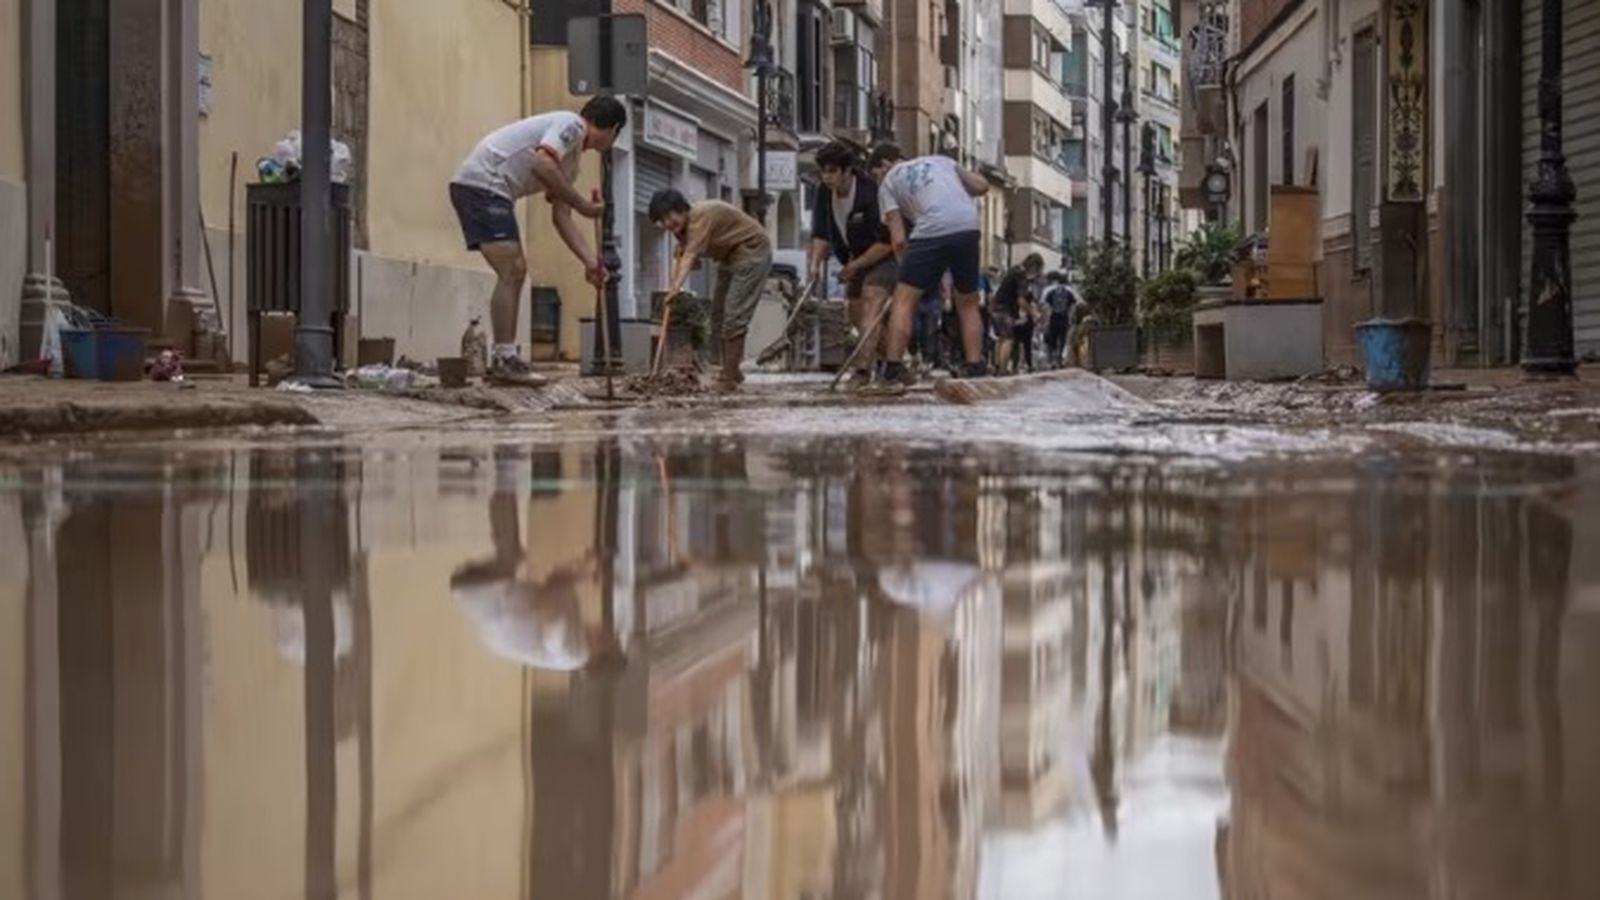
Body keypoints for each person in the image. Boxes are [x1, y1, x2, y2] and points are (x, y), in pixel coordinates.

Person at [450, 96, 627, 385]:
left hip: (489, 190)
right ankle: (505, 360)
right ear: (613, 128)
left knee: (514, 271)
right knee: (513, 270)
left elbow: (561, 217)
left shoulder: (571, 162)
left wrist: (590, 262)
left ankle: (504, 358)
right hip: (482, 184)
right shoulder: (572, 125)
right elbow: (541, 163)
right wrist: (583, 203)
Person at [868, 143, 993, 387]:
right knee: (968, 301)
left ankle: (893, 368)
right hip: (968, 225)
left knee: (904, 300)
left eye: (876, 174)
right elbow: (982, 186)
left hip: (930, 230)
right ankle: (975, 366)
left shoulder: (888, 183)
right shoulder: (942, 161)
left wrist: (906, 270)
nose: (877, 180)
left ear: (883, 165)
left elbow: (899, 239)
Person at [649, 190, 774, 392]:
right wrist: (683, 249)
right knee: (718, 313)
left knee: (734, 314)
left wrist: (674, 290)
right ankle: (726, 369)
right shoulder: (683, 229)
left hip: (752, 251)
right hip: (729, 257)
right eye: (662, 221)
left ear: (681, 208)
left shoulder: (700, 217)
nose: (668, 224)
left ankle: (729, 375)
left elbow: (690, 259)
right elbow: (694, 260)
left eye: (669, 216)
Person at [807, 141, 897, 386]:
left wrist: (856, 266)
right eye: (823, 171)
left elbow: (887, 242)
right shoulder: (823, 192)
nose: (827, 177)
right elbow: (820, 233)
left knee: (871, 302)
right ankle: (896, 364)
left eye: (832, 171)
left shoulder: (871, 193)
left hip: (884, 257)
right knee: (858, 316)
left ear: (847, 171)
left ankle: (862, 372)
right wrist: (815, 265)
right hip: (853, 258)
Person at [988, 254, 1044, 375]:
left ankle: (996, 367)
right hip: (1005, 309)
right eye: (1037, 270)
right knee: (1008, 339)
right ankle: (1002, 371)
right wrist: (1033, 313)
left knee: (1000, 338)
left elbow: (1024, 295)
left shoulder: (1014, 269)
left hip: (995, 307)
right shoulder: (1021, 275)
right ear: (1034, 267)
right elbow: (1021, 300)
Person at [1042, 272, 1077, 366]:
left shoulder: (1051, 292)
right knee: (1062, 339)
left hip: (1054, 317)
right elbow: (1073, 306)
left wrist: (1046, 320)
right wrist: (1071, 317)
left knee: (1052, 338)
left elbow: (1047, 306)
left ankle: (1052, 359)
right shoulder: (1069, 293)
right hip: (1064, 318)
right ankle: (1059, 358)